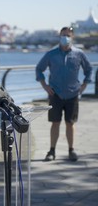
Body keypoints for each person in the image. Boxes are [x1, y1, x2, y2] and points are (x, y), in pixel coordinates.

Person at [36, 26, 92, 162]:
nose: (65, 38)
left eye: (67, 35)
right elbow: (39, 69)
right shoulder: (51, 54)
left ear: (72, 37)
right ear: (59, 37)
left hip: (73, 94)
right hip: (55, 94)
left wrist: (84, 85)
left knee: (70, 123)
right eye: (62, 35)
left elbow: (89, 69)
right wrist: (45, 86)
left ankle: (71, 150)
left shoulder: (79, 54)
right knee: (55, 123)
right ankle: (52, 151)